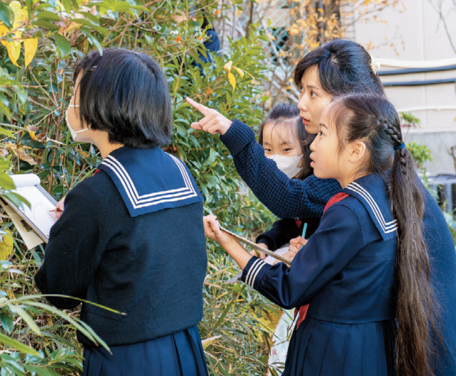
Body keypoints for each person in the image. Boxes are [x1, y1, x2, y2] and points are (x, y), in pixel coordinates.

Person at [187, 39, 456, 374]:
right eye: (301, 90)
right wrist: (283, 243)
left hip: (412, 332)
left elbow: (290, 199)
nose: (301, 103)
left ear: (350, 100)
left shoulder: (356, 188)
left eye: (313, 93)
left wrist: (232, 132)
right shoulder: (371, 171)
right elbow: (304, 211)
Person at [35, 48, 209, 376]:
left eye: (75, 92)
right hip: (185, 350)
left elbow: (59, 290)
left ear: (102, 101)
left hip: (128, 361)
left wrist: (63, 232)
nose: (71, 102)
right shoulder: (178, 171)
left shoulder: (97, 192)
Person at [252, 103, 318, 370]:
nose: (275, 158)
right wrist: (266, 240)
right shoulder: (294, 191)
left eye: (286, 149)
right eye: (267, 150)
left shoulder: (317, 191)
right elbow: (288, 225)